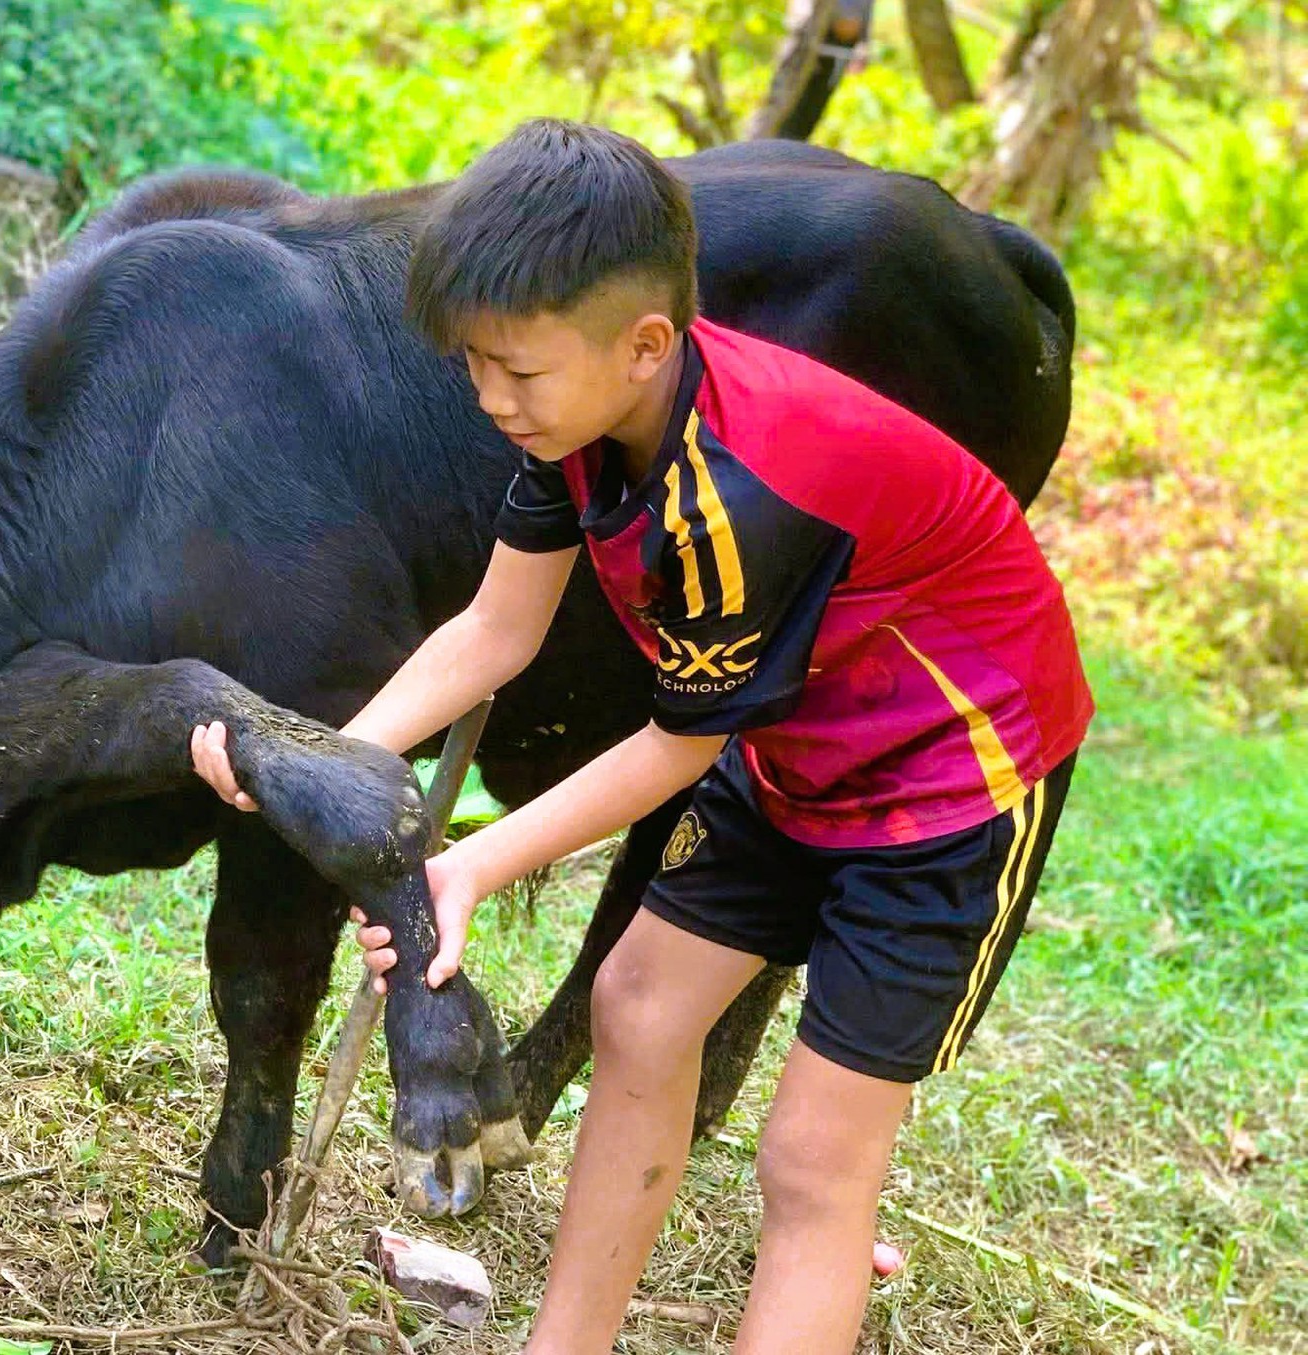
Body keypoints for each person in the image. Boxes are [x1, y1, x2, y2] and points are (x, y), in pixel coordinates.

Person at [190, 118, 1092, 1354]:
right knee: (636, 1007)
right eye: (474, 366)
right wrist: (321, 760)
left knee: (811, 1161)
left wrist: (466, 865)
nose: (489, 399)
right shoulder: (579, 428)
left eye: (516, 371)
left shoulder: (736, 496)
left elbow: (677, 748)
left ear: (645, 344)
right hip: (792, 745)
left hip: (946, 787)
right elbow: (494, 631)